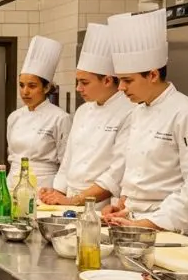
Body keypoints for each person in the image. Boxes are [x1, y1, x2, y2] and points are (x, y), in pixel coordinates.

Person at [102, 9, 188, 233]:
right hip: (133, 221)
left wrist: (148, 223)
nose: (121, 88)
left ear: (152, 75)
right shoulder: (138, 111)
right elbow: (139, 175)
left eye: (127, 81)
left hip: (166, 225)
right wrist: (124, 206)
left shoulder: (185, 112)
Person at [40, 23, 136, 210]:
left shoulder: (129, 112)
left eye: (84, 82)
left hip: (101, 205)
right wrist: (57, 193)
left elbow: (116, 172)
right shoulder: (84, 111)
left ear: (108, 80)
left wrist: (73, 201)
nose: (78, 89)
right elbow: (68, 159)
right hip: (70, 199)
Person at [6, 36, 71, 190]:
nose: (25, 91)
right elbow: (11, 154)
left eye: (32, 86)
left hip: (44, 185)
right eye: (21, 85)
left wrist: (59, 191)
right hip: (13, 182)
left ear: (46, 88)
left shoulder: (60, 118)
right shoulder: (14, 117)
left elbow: (66, 161)